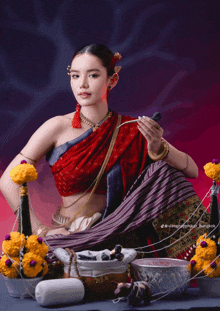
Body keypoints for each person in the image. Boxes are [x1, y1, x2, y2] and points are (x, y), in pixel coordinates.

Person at [0, 44, 204, 260]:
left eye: (93, 75)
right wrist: (39, 231)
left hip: (119, 236)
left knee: (165, 171)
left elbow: (192, 171)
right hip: (70, 236)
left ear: (112, 80)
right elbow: (7, 180)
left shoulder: (132, 129)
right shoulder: (57, 127)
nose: (83, 84)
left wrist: (158, 148)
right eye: (76, 76)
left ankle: (198, 258)